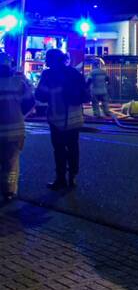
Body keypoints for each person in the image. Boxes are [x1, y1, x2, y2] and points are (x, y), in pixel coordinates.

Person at [35, 49, 88, 191]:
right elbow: (84, 94)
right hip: (75, 118)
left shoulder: (48, 74)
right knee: (73, 148)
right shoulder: (74, 73)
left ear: (51, 60)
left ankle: (60, 179)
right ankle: (73, 177)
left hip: (57, 119)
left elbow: (40, 95)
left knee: (59, 150)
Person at [1, 53, 35, 202]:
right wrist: (19, 114)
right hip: (15, 130)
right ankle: (9, 192)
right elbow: (30, 103)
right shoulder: (19, 82)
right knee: (11, 163)